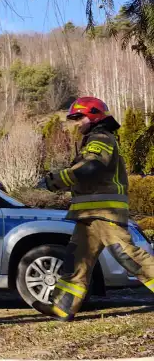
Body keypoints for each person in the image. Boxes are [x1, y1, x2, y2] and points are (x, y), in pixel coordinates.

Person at [40, 96, 154, 320]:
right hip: (89, 216)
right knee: (76, 262)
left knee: (129, 257)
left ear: (93, 116)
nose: (76, 123)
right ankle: (63, 307)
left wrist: (58, 180)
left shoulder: (101, 138)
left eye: (79, 117)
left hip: (105, 213)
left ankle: (63, 306)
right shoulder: (93, 139)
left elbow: (90, 167)